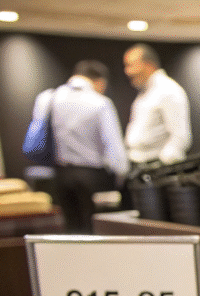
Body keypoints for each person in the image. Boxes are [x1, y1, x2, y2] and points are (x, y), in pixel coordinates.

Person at [25, 59, 129, 233]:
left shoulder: (49, 97)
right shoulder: (100, 103)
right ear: (99, 81)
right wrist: (122, 175)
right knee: (95, 229)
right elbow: (113, 145)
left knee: (71, 228)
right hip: (92, 176)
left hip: (61, 175)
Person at [123, 43, 192, 168]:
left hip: (154, 168)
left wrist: (159, 168)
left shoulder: (168, 90)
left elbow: (180, 138)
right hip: (138, 166)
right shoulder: (146, 92)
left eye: (131, 65)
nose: (127, 71)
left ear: (149, 65)